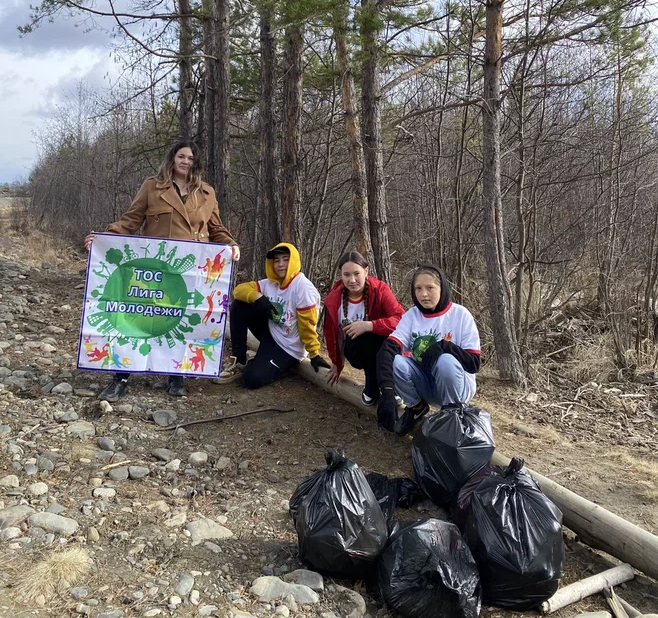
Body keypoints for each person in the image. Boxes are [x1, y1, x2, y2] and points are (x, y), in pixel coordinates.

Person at [84, 140, 240, 402]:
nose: (185, 161)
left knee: (179, 319)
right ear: (172, 159)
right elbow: (130, 220)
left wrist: (231, 244)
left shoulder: (207, 193)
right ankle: (121, 375)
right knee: (139, 318)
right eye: (181, 156)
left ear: (196, 163)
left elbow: (216, 228)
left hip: (191, 271)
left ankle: (176, 374)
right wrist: (102, 238)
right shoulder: (152, 187)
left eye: (191, 158)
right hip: (156, 267)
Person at [376, 265, 481, 436]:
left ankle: (452, 413)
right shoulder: (412, 315)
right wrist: (387, 392)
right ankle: (416, 407)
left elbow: (474, 363)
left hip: (457, 387)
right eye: (418, 288)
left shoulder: (461, 315)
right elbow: (388, 350)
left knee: (445, 360)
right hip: (426, 382)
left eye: (430, 287)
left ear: (442, 288)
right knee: (396, 361)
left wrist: (445, 346)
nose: (423, 294)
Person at [219, 242, 330, 388]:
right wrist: (258, 297)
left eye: (285, 259)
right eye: (276, 260)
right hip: (271, 332)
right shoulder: (270, 283)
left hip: (288, 347)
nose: (280, 264)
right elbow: (238, 290)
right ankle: (239, 359)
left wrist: (314, 353)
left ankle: (266, 362)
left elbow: (307, 325)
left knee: (251, 380)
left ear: (294, 261)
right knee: (239, 305)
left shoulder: (303, 288)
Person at [323, 251, 405, 406]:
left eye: (356, 274)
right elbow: (331, 334)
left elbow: (401, 319)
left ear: (366, 271)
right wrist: (336, 363)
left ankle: (386, 386)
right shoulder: (334, 300)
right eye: (346, 275)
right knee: (362, 336)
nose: (352, 280)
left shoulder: (380, 290)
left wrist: (370, 325)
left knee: (371, 334)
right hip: (356, 351)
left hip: (384, 348)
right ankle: (373, 384)